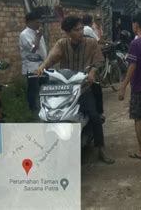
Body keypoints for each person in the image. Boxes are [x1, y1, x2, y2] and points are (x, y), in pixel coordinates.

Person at [37, 16, 114, 164]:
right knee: (50, 114)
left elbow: (98, 61)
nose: (80, 32)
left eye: (81, 29)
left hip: (83, 87)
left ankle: (101, 149)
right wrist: (42, 67)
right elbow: (52, 57)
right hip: (65, 88)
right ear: (67, 32)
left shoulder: (91, 43)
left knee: (94, 115)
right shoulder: (62, 43)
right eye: (76, 29)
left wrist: (92, 72)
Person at [118, 12, 141, 160]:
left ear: (136, 24)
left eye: (133, 23)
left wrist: (123, 86)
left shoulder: (135, 43)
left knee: (138, 118)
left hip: (139, 87)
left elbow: (132, 66)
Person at [19, 12, 47, 112]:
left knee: (44, 88)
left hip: (42, 65)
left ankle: (43, 108)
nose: (39, 24)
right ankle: (32, 110)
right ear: (29, 22)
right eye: (37, 22)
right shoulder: (24, 34)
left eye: (39, 22)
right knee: (33, 89)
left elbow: (42, 49)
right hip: (31, 67)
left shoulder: (37, 32)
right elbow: (33, 50)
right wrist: (39, 37)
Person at [82, 14, 105, 122]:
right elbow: (98, 41)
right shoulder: (88, 30)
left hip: (87, 65)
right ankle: (99, 113)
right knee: (96, 86)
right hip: (88, 63)